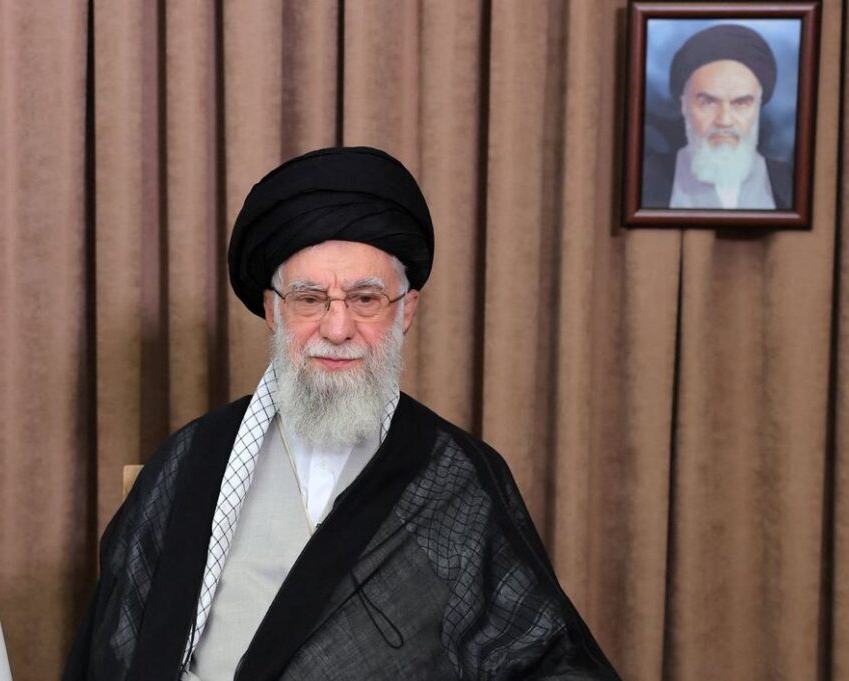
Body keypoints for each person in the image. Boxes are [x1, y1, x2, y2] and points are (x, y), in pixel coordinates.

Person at [63, 147, 620, 681]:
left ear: (406, 311)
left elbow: (544, 657)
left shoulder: (456, 478)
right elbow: (115, 648)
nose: (336, 328)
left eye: (365, 299)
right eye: (309, 299)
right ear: (272, 310)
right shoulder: (195, 459)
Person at [642, 24, 793, 210]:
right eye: (708, 102)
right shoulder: (645, 180)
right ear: (684, 105)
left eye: (741, 103)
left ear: (758, 106)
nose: (724, 120)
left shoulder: (790, 182)